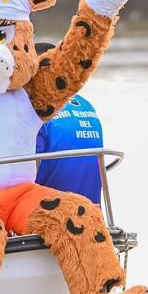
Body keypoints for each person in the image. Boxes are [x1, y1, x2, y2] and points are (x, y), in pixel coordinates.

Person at [32, 41, 106, 203]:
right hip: (92, 207)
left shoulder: (38, 108)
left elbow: (21, 171)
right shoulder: (85, 104)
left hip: (51, 210)